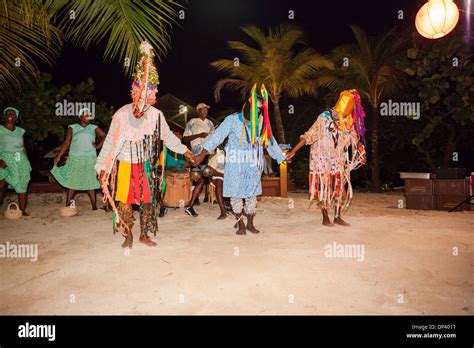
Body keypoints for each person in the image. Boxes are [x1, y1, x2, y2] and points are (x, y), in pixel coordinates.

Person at [95, 41, 194, 248]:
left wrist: (185, 151)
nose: (145, 98)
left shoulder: (156, 115)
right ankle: (128, 234)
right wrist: (102, 167)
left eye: (150, 94)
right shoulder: (121, 114)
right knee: (125, 203)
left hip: (145, 165)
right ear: (134, 91)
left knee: (148, 202)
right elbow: (108, 144)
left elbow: (168, 137)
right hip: (124, 165)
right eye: (142, 93)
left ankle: (144, 234)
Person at [195, 84, 286, 235]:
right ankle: (240, 223)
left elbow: (269, 140)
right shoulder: (231, 120)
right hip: (235, 164)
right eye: (256, 110)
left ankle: (250, 223)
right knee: (236, 194)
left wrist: (280, 157)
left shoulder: (262, 121)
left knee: (252, 194)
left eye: (260, 110)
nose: (258, 113)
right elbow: (216, 137)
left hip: (253, 164)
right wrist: (201, 154)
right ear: (248, 107)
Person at [286, 89, 367, 227]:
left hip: (338, 158)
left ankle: (337, 216)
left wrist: (361, 152)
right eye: (339, 114)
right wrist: (293, 151)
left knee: (339, 187)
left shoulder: (347, 120)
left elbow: (355, 138)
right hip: (321, 159)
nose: (340, 116)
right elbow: (309, 135)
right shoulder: (324, 118)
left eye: (343, 114)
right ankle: (325, 217)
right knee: (325, 188)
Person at [51, 108, 106, 210]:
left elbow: (105, 136)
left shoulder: (93, 127)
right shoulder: (72, 127)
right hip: (75, 157)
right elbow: (67, 142)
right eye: (86, 115)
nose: (88, 116)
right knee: (73, 181)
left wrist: (98, 146)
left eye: (89, 115)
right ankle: (67, 206)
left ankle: (94, 207)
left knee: (90, 181)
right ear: (80, 117)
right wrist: (59, 156)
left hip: (90, 158)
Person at [183, 103, 214, 216]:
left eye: (207, 109)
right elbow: (185, 138)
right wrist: (199, 135)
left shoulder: (210, 123)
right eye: (203, 109)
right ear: (198, 111)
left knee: (204, 179)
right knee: (197, 179)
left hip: (207, 154)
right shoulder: (192, 122)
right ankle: (191, 203)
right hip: (196, 155)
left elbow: (214, 137)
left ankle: (192, 203)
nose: (206, 111)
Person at [0, 107, 32, 215]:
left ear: (16, 118)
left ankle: (22, 211)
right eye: (8, 113)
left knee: (22, 183)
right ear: (3, 117)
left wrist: (26, 161)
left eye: (13, 114)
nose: (10, 114)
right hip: (4, 159)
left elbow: (22, 147)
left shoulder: (20, 131)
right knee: (2, 184)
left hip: (19, 159)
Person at [207, 145, 227, 219]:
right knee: (219, 182)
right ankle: (223, 211)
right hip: (219, 175)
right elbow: (209, 170)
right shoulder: (218, 155)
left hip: (231, 176)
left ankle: (242, 208)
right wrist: (222, 175)